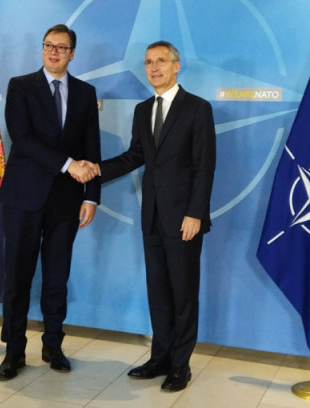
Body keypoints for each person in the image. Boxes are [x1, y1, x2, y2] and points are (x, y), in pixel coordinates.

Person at [93, 41, 216, 392]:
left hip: (184, 220)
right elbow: (135, 156)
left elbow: (204, 165)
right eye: (149, 62)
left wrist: (195, 213)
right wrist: (96, 169)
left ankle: (180, 365)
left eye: (161, 61)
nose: (154, 68)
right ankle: (160, 357)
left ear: (177, 66)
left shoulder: (198, 108)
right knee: (159, 292)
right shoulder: (143, 109)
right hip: (152, 217)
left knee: (183, 294)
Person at [0, 24, 100, 381]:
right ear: (42, 49)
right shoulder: (20, 86)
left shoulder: (85, 93)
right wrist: (69, 164)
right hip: (23, 197)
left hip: (66, 201)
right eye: (48, 46)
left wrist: (92, 196)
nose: (54, 52)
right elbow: (22, 138)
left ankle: (53, 345)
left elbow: (91, 145)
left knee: (57, 277)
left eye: (61, 47)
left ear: (72, 54)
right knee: (18, 277)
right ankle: (14, 350)